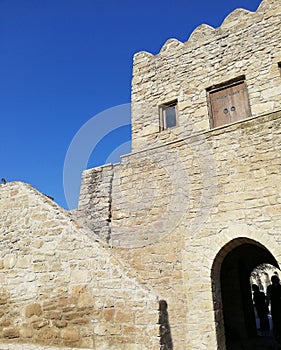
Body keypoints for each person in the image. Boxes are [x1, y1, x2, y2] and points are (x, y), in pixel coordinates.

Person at [267, 275, 281, 342]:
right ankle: (277, 334)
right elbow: (268, 297)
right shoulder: (280, 287)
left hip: (275, 305)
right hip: (277, 305)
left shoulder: (269, 287)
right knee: (277, 319)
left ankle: (277, 334)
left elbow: (268, 298)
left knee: (275, 320)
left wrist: (266, 305)